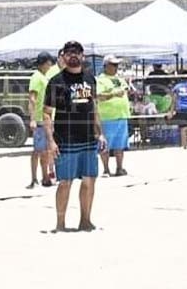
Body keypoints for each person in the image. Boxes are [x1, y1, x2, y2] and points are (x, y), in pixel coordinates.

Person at [43, 41, 107, 232]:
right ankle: (60, 223)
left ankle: (85, 220)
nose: (73, 55)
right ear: (63, 56)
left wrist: (100, 133)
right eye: (69, 52)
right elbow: (46, 113)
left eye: (77, 52)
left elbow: (94, 107)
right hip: (65, 138)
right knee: (65, 182)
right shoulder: (56, 81)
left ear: (82, 56)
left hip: (88, 138)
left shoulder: (90, 78)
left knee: (89, 180)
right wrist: (50, 141)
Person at [97, 55, 131, 177]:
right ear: (106, 66)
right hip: (107, 117)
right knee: (105, 144)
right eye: (113, 65)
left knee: (120, 145)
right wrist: (114, 94)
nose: (116, 67)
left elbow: (126, 90)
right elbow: (98, 96)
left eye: (117, 65)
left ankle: (119, 168)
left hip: (122, 116)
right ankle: (106, 169)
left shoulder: (119, 79)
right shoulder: (100, 80)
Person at [28, 52, 56, 188]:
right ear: (45, 63)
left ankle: (44, 177)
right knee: (39, 150)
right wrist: (32, 118)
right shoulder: (36, 77)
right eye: (49, 63)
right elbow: (32, 98)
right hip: (39, 119)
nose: (50, 65)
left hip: (46, 118)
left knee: (45, 150)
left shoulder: (43, 77)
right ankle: (36, 178)